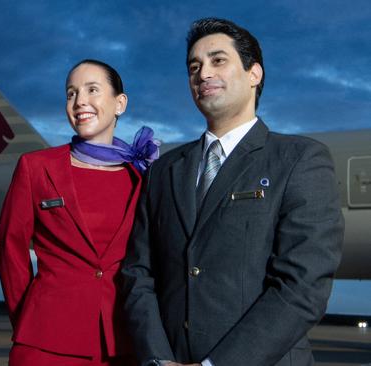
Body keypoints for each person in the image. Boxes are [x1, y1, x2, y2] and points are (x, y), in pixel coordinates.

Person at [122, 18, 344, 366]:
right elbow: (138, 273)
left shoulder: (300, 160)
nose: (202, 73)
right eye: (194, 66)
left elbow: (302, 285)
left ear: (254, 74)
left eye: (218, 60)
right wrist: (157, 358)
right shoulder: (163, 171)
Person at [0, 59, 159, 366]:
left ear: (120, 103)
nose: (79, 101)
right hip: (45, 342)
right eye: (71, 93)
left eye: (92, 90)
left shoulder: (144, 177)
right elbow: (10, 250)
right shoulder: (37, 168)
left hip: (123, 343)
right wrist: (28, 320)